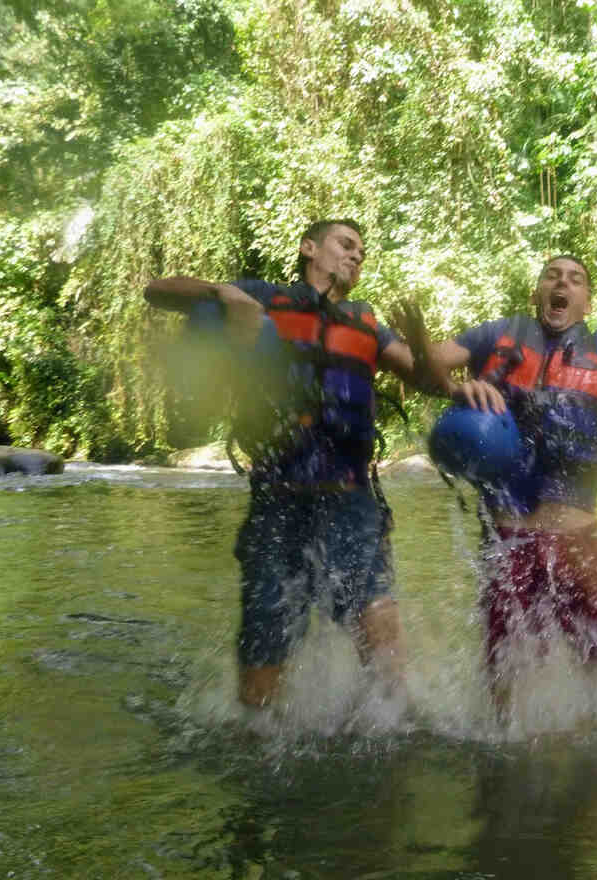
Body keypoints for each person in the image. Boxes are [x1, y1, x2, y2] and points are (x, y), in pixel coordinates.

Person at [398, 157, 597, 710]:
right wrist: (425, 353)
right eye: (552, 275)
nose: (562, 283)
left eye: (575, 279)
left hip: (576, 540)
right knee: (502, 684)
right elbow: (428, 368)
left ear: (587, 301)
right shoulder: (497, 335)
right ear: (538, 292)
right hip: (508, 539)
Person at [144, 219, 419, 708]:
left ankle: (394, 735)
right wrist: (221, 294)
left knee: (383, 647)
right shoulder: (261, 299)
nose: (356, 256)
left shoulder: (367, 320)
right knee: (263, 665)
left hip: (351, 499)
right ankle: (259, 747)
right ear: (308, 248)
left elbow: (424, 375)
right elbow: (157, 291)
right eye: (346, 245)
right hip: (278, 500)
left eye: (362, 251)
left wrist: (431, 353)